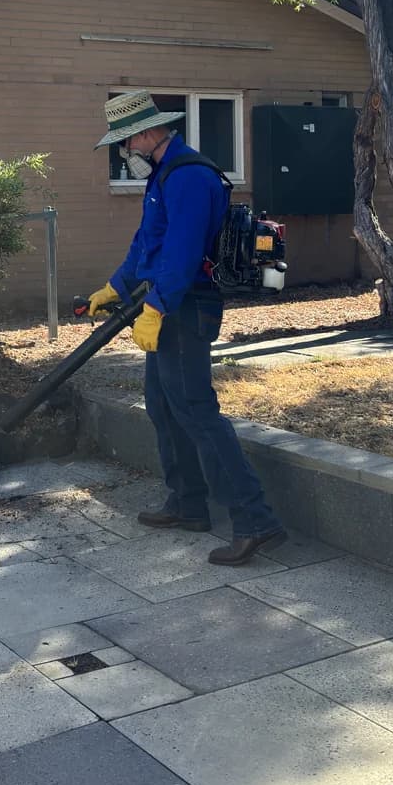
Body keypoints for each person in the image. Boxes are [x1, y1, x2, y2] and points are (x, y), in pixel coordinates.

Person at [90, 90, 284, 564]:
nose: (125, 152)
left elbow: (182, 251)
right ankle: (188, 503)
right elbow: (148, 242)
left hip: (185, 306)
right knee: (162, 405)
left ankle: (255, 520)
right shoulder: (165, 174)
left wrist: (156, 308)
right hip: (168, 303)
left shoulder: (189, 176)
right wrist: (116, 286)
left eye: (125, 142)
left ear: (145, 133)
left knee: (197, 411)